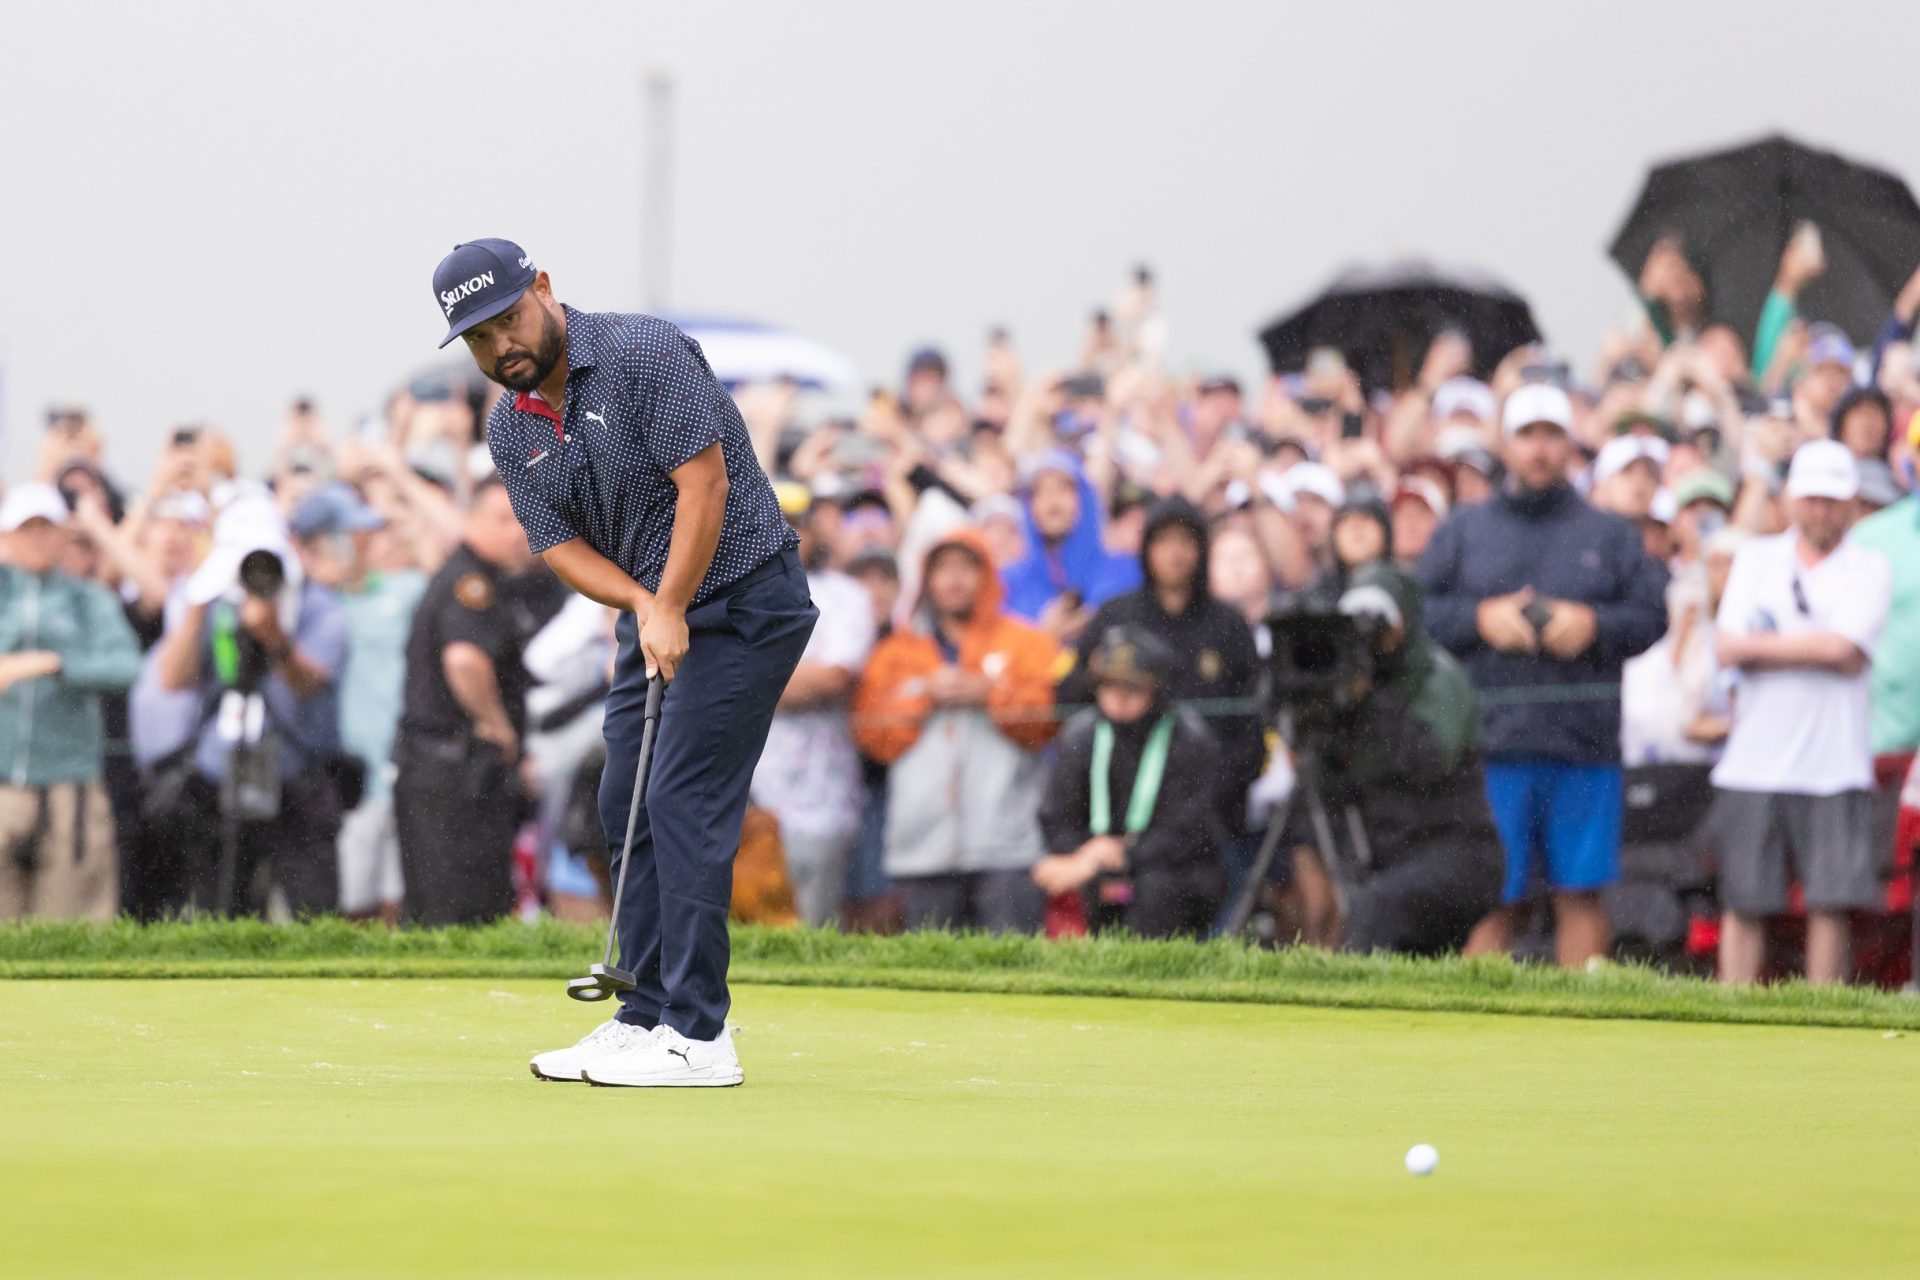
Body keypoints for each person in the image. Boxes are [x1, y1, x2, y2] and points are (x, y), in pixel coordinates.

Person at [433, 240, 817, 1088]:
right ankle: (641, 1014)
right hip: (659, 614)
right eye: (479, 339)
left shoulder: (643, 354)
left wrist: (669, 603)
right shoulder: (510, 423)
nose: (503, 348)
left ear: (542, 288)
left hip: (748, 597)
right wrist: (647, 608)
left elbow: (705, 487)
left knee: (682, 796)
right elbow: (562, 548)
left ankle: (699, 1033)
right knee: (622, 797)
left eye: (508, 321)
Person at [1419, 383, 1668, 968]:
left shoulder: (1609, 534)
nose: (1538, 450)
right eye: (1527, 435)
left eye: (1551, 435)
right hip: (1492, 744)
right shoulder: (1463, 530)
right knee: (1494, 897)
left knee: (1579, 894)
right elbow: (1418, 613)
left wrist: (1595, 625)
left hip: (1584, 747)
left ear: (1569, 445)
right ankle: (1476, 1035)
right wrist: (1480, 618)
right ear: (1506, 445)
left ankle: (1581, 1032)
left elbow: (1653, 614)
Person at [1711, 441, 1892, 984]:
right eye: (1812, 499)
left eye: (1831, 501)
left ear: (1851, 503)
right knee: (1743, 903)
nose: (1821, 511)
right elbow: (1727, 648)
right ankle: (1730, 1013)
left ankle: (1821, 1016)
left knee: (1830, 904)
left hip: (1834, 764)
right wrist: (1817, 648)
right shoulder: (1755, 557)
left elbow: (1846, 653)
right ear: (1792, 499)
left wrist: (1763, 650)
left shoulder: (1870, 567)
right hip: (1752, 762)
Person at [1280, 565, 1505, 954]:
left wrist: (1369, 699)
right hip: (1391, 858)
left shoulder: (1438, 676)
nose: (1370, 638)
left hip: (1458, 854)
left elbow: (1428, 760)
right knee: (1383, 918)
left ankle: (1347, 1010)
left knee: (1374, 909)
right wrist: (1317, 717)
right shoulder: (1349, 689)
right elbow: (1328, 789)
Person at [852, 529, 1060, 932]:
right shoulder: (896, 653)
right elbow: (872, 736)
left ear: (988, 576)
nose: (955, 578)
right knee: (929, 977)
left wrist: (990, 695)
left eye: (968, 566)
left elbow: (1048, 720)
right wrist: (924, 696)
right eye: (943, 567)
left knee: (1011, 974)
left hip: (1007, 843)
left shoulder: (1027, 642)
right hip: (922, 844)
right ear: (926, 579)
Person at [154, 495, 350, 915]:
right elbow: (173, 678)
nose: (254, 576)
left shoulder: (317, 605)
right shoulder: (207, 601)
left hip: (296, 774)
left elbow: (308, 683)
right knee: (220, 910)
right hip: (218, 775)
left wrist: (274, 636)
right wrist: (201, 598)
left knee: (312, 910)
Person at [1059, 498, 1264, 829]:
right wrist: (1094, 675)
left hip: (1212, 815)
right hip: (1119, 810)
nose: (1175, 553)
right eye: (1163, 540)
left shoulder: (1229, 625)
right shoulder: (1115, 617)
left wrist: (1212, 793)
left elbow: (1251, 723)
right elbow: (1069, 701)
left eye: (1186, 541)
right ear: (1146, 548)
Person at [390, 477, 537, 926]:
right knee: (458, 910)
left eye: (521, 520)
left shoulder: (471, 574)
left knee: (444, 906)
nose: (517, 532)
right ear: (471, 519)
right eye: (503, 518)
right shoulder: (472, 582)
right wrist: (497, 726)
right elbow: (464, 661)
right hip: (454, 773)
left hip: (439, 769)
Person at [0, 485, 142, 919]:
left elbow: (126, 666)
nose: (38, 539)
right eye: (27, 530)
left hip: (69, 790)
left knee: (68, 931)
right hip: (3, 785)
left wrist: (56, 663)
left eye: (47, 529)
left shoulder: (87, 600)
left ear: (64, 536)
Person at [1036, 627, 1226, 937]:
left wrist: (1121, 855)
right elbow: (1056, 816)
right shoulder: (1079, 736)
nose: (1119, 698)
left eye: (1133, 687)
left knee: (1154, 888)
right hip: (1092, 862)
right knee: (1031, 877)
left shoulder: (1189, 739)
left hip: (1174, 871)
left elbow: (1188, 830)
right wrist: (1086, 853)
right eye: (1109, 685)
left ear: (1158, 690)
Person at [294, 484, 426, 924]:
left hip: (398, 768)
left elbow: (447, 573)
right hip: (337, 781)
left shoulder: (402, 589)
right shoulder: (304, 605)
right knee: (347, 905)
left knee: (396, 901)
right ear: (319, 544)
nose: (366, 540)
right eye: (353, 532)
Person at [748, 484, 875, 926]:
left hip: (820, 793)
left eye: (795, 524)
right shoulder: (731, 593)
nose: (783, 534)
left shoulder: (844, 594)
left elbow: (834, 676)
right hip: (743, 788)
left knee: (813, 928)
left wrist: (742, 687)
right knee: (735, 933)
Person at [999, 448, 1140, 638]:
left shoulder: (1124, 571)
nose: (1052, 502)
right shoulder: (1008, 582)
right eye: (1039, 492)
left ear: (1085, 497)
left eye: (1063, 489)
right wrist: (1042, 637)